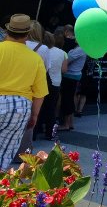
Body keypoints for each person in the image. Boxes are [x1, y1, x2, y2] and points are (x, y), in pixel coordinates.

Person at [0, 14, 48, 170]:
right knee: (4, 152)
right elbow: (40, 93)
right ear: (27, 35)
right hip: (19, 107)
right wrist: (34, 115)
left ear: (7, 31)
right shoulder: (35, 58)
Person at [37, 31, 67, 140]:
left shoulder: (42, 51)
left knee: (38, 107)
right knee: (51, 109)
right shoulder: (62, 53)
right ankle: (50, 133)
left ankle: (37, 129)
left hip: (42, 82)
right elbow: (64, 69)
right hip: (56, 82)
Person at [58, 42, 86, 130]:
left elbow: (67, 60)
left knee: (67, 100)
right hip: (74, 76)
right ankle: (70, 123)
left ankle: (66, 124)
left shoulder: (79, 49)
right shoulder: (81, 48)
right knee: (70, 99)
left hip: (70, 76)